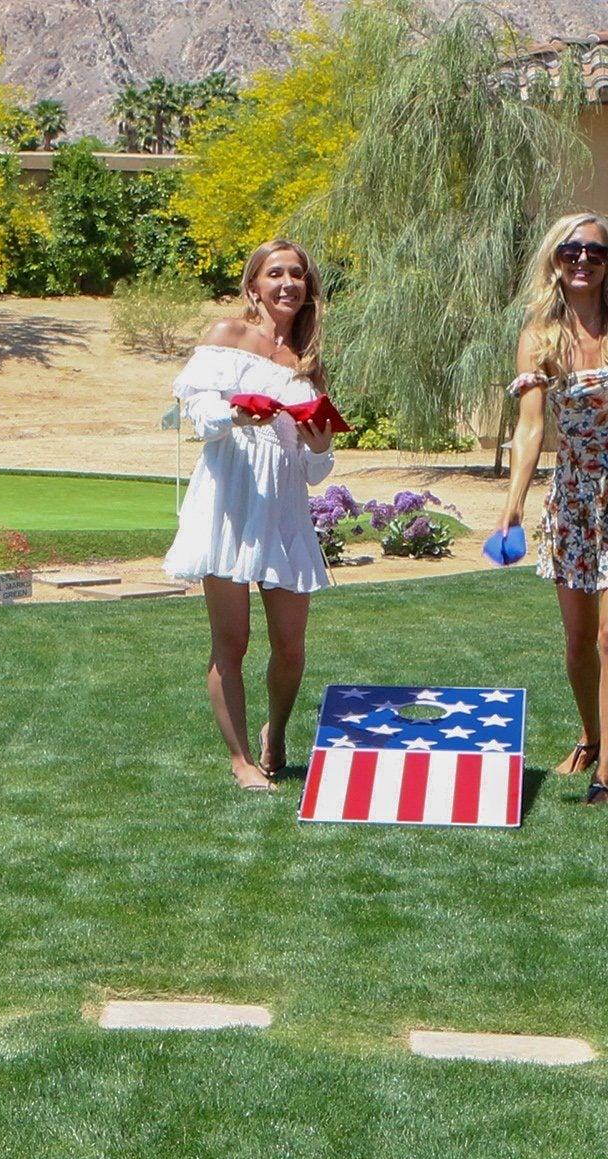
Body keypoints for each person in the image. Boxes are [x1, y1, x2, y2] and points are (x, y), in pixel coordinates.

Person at [493, 214, 608, 804]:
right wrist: (514, 502)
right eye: (571, 251)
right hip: (573, 495)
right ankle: (592, 736)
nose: (583, 260)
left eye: (595, 252)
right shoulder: (539, 337)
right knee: (577, 640)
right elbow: (530, 428)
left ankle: (606, 775)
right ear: (555, 259)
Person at [164, 240, 337, 791]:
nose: (288, 283)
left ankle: (276, 732)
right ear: (253, 286)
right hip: (230, 500)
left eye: (298, 275)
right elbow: (197, 412)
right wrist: (238, 412)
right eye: (276, 273)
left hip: (284, 505)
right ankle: (240, 762)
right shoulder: (227, 336)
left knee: (291, 646)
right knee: (230, 643)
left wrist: (319, 444)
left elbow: (315, 470)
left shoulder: (310, 361)